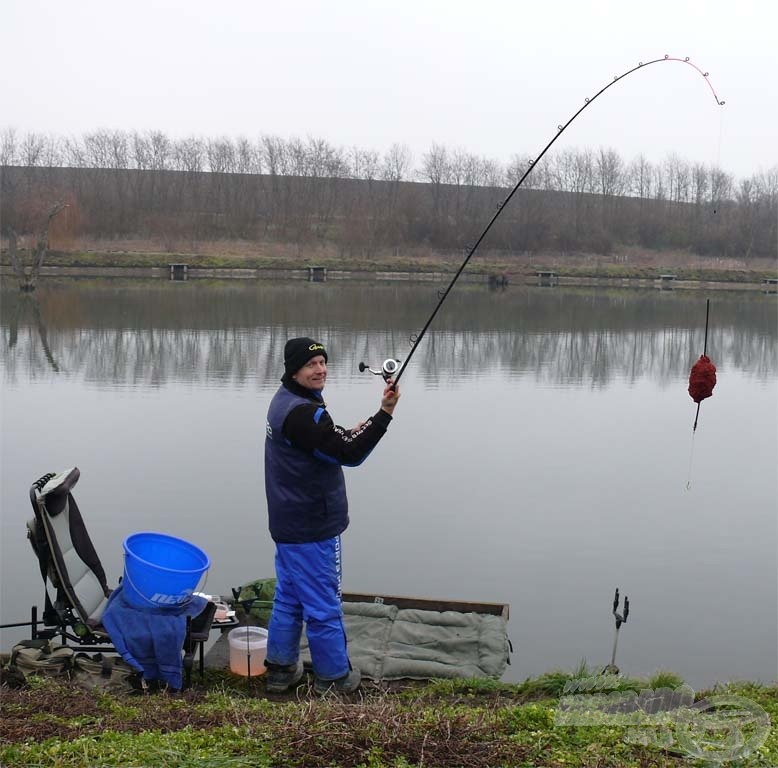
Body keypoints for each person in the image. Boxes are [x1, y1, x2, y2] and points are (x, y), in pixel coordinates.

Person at [263, 337, 400, 694]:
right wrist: (384, 415)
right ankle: (334, 677)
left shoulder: (286, 403)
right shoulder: (304, 413)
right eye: (311, 365)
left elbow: (328, 441)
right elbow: (349, 453)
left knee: (289, 597)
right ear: (294, 370)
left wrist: (358, 428)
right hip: (312, 526)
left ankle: (280, 670)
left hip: (288, 523)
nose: (320, 370)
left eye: (323, 363)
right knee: (324, 604)